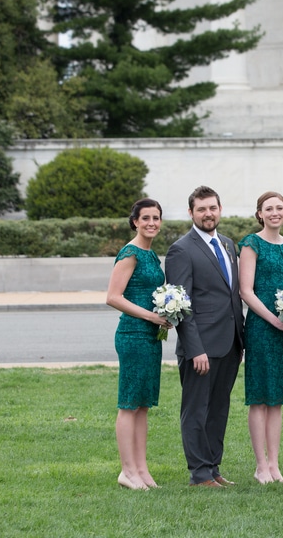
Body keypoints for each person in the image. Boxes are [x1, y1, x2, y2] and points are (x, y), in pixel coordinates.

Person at [165, 186, 244, 488]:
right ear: (191, 213)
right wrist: (194, 348)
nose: (208, 214)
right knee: (196, 410)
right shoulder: (181, 250)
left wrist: (241, 340)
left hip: (230, 343)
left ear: (220, 209)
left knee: (219, 408)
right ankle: (198, 473)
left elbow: (231, 296)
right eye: (201, 209)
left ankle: (213, 468)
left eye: (212, 208)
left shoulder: (227, 244)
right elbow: (181, 304)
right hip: (200, 347)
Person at [106, 198, 173, 490]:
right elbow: (113, 297)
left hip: (151, 337)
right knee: (129, 403)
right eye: (145, 218)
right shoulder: (130, 253)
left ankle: (142, 469)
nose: (151, 223)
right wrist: (151, 316)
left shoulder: (151, 253)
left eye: (156, 218)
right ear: (135, 221)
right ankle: (127, 471)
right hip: (133, 335)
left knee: (143, 405)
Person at [238, 191, 283, 484]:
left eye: (279, 208)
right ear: (260, 214)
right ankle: (260, 465)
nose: (275, 212)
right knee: (260, 398)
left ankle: (275, 463)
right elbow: (246, 291)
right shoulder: (252, 244)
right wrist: (275, 321)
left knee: (277, 398)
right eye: (269, 209)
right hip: (263, 327)